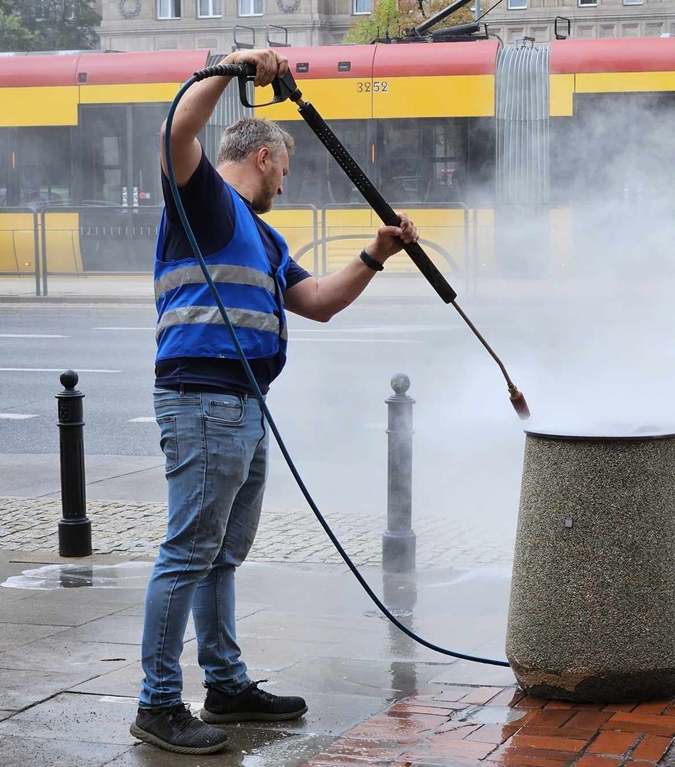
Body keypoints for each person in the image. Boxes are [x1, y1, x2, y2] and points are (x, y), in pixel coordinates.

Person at [131, 47, 419, 756]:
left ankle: (225, 683)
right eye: (284, 172)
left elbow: (316, 301)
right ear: (263, 157)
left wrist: (374, 255)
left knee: (219, 555)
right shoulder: (202, 196)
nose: (283, 189)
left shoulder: (262, 234)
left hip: (243, 405)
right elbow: (176, 133)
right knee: (188, 551)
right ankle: (157, 702)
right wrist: (232, 68)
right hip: (202, 400)